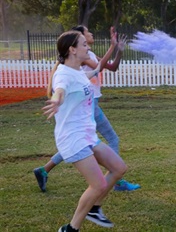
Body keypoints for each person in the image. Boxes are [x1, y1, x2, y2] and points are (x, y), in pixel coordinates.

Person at [34, 25, 140, 192]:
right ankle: (116, 179)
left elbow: (108, 67)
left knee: (84, 142)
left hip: (89, 103)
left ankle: (44, 169)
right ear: (78, 40)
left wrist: (118, 50)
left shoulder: (86, 53)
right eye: (87, 33)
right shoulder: (80, 57)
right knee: (109, 140)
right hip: (87, 104)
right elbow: (96, 70)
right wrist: (112, 46)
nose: (91, 34)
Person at [42, 30, 127, 231]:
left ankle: (94, 207)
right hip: (73, 139)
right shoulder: (62, 74)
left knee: (119, 168)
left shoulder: (77, 71)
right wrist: (56, 100)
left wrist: (116, 50)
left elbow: (94, 71)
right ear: (72, 49)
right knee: (98, 185)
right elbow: (60, 90)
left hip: (87, 136)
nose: (88, 47)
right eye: (83, 44)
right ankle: (71, 228)